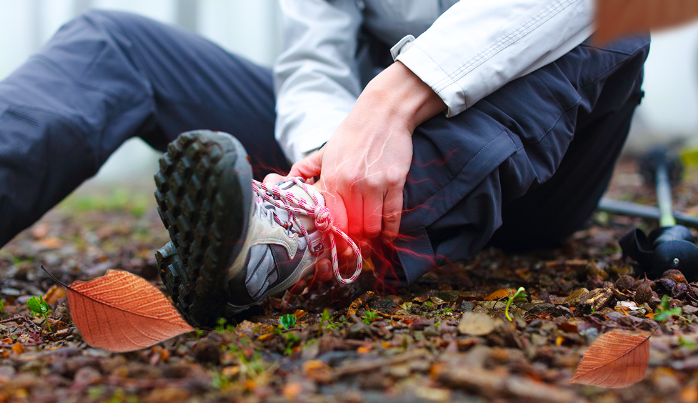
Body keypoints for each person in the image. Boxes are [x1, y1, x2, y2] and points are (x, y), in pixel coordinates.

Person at [0, 1, 649, 327]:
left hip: (547, 164)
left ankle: (310, 237)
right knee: (115, 44)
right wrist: (328, 150)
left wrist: (399, 96)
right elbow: (312, 60)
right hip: (357, 136)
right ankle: (301, 218)